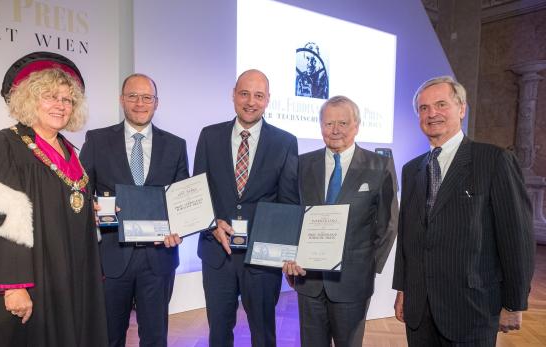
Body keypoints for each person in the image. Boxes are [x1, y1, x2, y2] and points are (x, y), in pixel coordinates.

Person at [0, 51, 108, 346]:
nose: (61, 105)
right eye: (50, 96)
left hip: (69, 280)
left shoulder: (69, 150)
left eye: (67, 99)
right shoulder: (2, 146)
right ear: (28, 99)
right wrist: (12, 287)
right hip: (30, 282)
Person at [392, 76, 535, 346]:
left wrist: (514, 303)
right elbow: (407, 237)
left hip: (472, 310)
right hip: (420, 311)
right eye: (424, 108)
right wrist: (403, 289)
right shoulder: (412, 170)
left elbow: (517, 238)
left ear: (461, 109)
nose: (432, 113)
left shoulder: (494, 160)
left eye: (441, 104)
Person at [80, 73, 188, 347]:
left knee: (155, 338)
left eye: (147, 97)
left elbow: (182, 201)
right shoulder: (97, 140)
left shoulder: (176, 145)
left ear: (156, 102)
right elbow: (80, 193)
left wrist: (180, 228)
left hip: (159, 257)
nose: (140, 103)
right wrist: (90, 210)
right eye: (133, 96)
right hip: (112, 257)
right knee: (108, 336)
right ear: (121, 100)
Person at [193, 69, 300, 346]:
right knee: (218, 332)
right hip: (218, 253)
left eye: (258, 95)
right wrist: (212, 222)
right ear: (233, 95)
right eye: (244, 93)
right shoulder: (209, 136)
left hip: (262, 259)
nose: (250, 101)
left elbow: (288, 202)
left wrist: (286, 252)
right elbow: (198, 194)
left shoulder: (285, 142)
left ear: (267, 100)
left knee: (263, 334)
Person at [283, 95, 398, 347]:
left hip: (353, 282)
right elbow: (291, 216)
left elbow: (387, 225)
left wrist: (368, 267)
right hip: (308, 279)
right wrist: (289, 255)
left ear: (356, 125)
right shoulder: (302, 164)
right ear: (320, 126)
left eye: (343, 123)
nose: (335, 130)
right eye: (328, 123)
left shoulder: (379, 165)